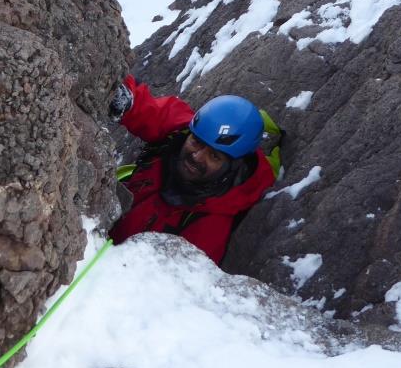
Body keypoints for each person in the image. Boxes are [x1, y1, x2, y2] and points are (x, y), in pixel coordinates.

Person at [107, 75, 278, 264]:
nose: (197, 156)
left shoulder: (209, 229)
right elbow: (152, 110)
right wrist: (123, 98)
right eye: (196, 142)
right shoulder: (184, 131)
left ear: (233, 167)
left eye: (214, 156)